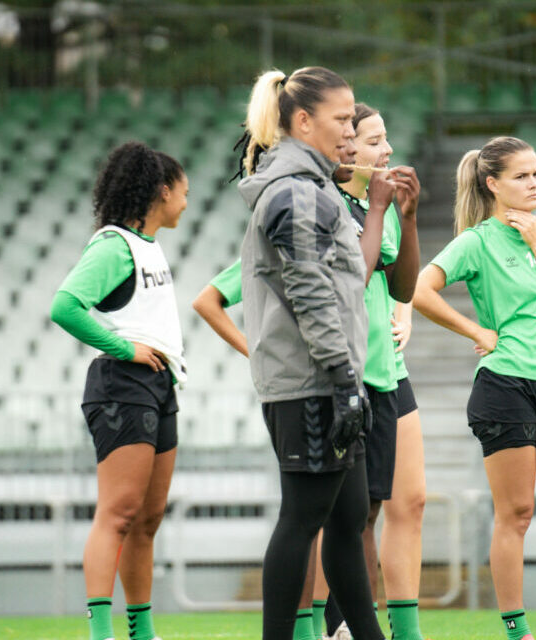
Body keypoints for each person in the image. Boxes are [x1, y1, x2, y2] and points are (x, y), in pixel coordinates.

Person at [414, 136, 536, 640]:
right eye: (521, 176)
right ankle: (518, 633)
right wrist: (475, 331)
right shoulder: (477, 241)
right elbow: (420, 290)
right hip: (503, 386)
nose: (533, 183)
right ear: (493, 184)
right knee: (516, 515)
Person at [236, 65, 385, 640]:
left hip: (330, 379)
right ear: (303, 121)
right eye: (342, 119)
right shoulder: (295, 191)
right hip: (313, 384)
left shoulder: (317, 186)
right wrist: (345, 379)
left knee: (347, 521)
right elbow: (310, 294)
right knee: (302, 520)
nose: (351, 130)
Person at [50, 141, 188, 640]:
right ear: (162, 191)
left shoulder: (149, 245)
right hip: (123, 384)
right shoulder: (113, 245)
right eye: (184, 192)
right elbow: (65, 305)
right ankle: (101, 633)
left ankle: (141, 631)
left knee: (148, 519)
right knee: (119, 513)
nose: (187, 202)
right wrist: (124, 348)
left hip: (159, 384)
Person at [325, 102, 427, 640]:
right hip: (347, 380)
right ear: (346, 149)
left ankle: (369, 629)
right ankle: (341, 629)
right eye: (374, 141)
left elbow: (405, 288)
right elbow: (353, 283)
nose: (387, 151)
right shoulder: (333, 206)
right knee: (343, 516)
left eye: (386, 140)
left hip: (387, 374)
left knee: (383, 508)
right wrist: (381, 211)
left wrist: (406, 217)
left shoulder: (374, 206)